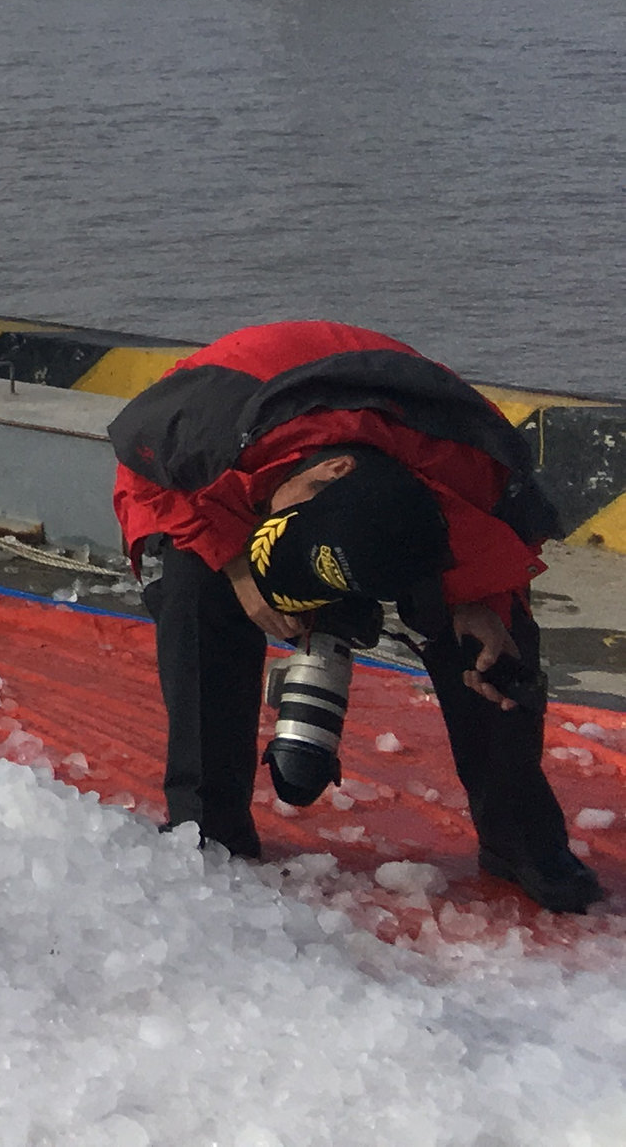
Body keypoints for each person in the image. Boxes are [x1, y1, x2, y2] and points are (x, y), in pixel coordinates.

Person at [109, 318, 602, 912]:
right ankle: (207, 831)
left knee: (494, 653)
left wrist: (480, 604)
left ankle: (522, 841)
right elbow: (145, 486)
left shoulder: (469, 459)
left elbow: (491, 541)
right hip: (225, 478)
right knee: (193, 591)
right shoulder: (198, 427)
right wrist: (239, 569)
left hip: (404, 485)